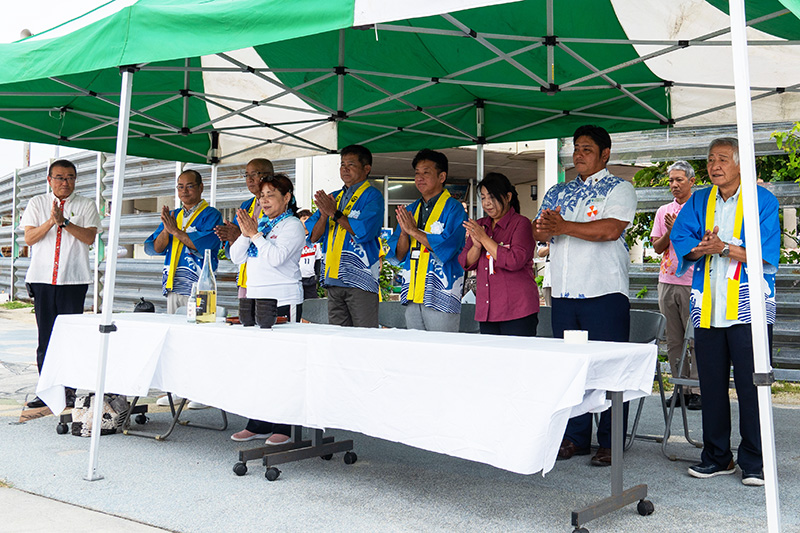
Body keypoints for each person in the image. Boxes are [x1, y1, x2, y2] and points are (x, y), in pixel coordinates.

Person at [671, 138, 780, 487]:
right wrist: (699, 247)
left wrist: (725, 248)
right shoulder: (699, 199)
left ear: (739, 163)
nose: (714, 166)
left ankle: (755, 461)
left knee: (753, 386)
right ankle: (717, 456)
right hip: (708, 306)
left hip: (749, 308)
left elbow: (766, 254)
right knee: (712, 386)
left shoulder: (763, 200)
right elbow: (680, 237)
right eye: (710, 159)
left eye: (722, 159)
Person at [532, 125, 637, 467]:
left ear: (605, 154)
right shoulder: (558, 190)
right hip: (562, 291)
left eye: (587, 149)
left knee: (609, 369)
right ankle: (575, 437)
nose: (578, 154)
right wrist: (549, 227)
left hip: (603, 291)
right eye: (576, 148)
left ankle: (610, 440)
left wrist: (563, 227)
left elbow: (609, 230)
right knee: (571, 369)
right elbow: (538, 229)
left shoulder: (620, 188)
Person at [229, 173, 306, 444]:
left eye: (271, 195)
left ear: (287, 198)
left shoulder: (293, 226)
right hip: (255, 298)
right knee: (259, 363)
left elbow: (275, 258)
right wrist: (247, 233)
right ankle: (258, 422)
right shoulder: (259, 223)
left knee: (285, 364)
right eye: (261, 195)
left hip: (284, 299)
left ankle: (284, 426)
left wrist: (256, 235)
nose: (264, 200)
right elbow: (236, 257)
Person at [21, 160, 100, 409]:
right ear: (49, 179)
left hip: (73, 281)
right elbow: (30, 238)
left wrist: (65, 222)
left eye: (70, 177)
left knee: (69, 336)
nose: (65, 182)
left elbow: (89, 237)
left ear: (75, 179)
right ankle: (46, 391)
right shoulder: (37, 203)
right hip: (43, 280)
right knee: (46, 337)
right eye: (59, 177)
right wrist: (52, 221)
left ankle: (68, 390)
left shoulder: (86, 204)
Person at [144, 169, 222, 409]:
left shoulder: (211, 215)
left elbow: (206, 245)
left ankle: (202, 391)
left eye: (189, 186)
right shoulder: (174, 215)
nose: (184, 191)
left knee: (200, 338)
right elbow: (155, 248)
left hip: (201, 285)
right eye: (180, 187)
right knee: (176, 340)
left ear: (200, 187)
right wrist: (168, 230)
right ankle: (179, 388)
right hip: (173, 284)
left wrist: (177, 231)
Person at [305, 145, 384, 327]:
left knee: (363, 336)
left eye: (351, 164)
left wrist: (335, 213)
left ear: (366, 168)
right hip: (333, 279)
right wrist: (324, 214)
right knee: (337, 336)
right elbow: (314, 236)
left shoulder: (373, 196)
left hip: (360, 280)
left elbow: (364, 232)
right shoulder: (334, 197)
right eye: (342, 164)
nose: (345, 169)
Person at [388, 149, 466, 331]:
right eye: (416, 173)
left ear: (442, 176)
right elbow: (399, 254)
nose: (419, 178)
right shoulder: (411, 209)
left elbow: (448, 248)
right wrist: (403, 232)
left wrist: (413, 231)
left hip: (442, 292)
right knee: (416, 350)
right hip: (413, 291)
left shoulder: (455, 209)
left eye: (426, 172)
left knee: (442, 350)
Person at [459, 172, 538, 335]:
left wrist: (484, 238)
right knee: (492, 359)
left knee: (516, 358)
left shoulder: (521, 223)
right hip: (487, 310)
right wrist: (476, 246)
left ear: (508, 197)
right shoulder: (480, 225)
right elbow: (465, 262)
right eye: (483, 198)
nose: (487, 203)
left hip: (517, 309)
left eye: (492, 197)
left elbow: (514, 260)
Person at [650, 160, 701, 410]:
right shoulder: (663, 211)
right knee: (674, 339)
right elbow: (658, 247)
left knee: (696, 338)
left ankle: (697, 388)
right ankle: (680, 389)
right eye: (671, 180)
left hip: (693, 281)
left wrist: (679, 229)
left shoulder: (701, 209)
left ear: (692, 181)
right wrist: (670, 232)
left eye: (679, 180)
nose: (674, 185)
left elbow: (703, 244)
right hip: (667, 280)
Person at [214, 158, 272, 299]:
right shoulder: (246, 206)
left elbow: (273, 244)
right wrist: (232, 237)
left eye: (255, 174)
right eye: (247, 175)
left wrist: (241, 234)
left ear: (269, 176)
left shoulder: (278, 204)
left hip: (269, 280)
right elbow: (232, 253)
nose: (250, 179)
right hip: (246, 279)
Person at [297, 209, 321, 300]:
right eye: (304, 218)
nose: (307, 220)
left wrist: (317, 276)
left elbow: (318, 259)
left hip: (310, 279)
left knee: (312, 305)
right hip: (298, 279)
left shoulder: (315, 240)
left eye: (309, 218)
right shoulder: (295, 238)